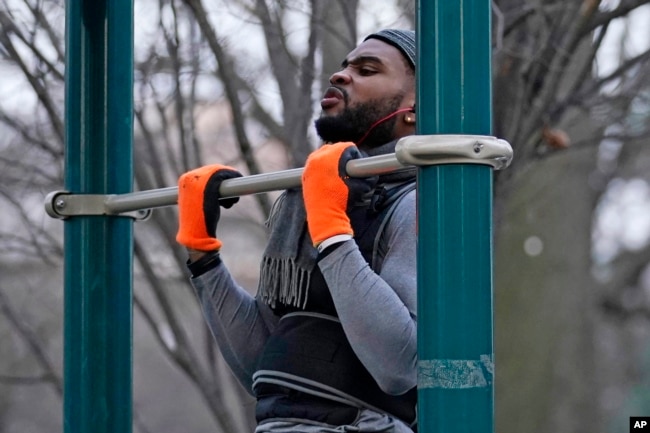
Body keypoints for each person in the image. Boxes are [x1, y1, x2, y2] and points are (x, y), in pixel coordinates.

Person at [176, 29, 418, 433]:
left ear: (415, 107)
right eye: (343, 67)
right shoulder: (306, 200)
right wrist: (204, 256)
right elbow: (262, 364)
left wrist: (332, 233)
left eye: (367, 69)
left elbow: (399, 366)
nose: (340, 76)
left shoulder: (415, 201)